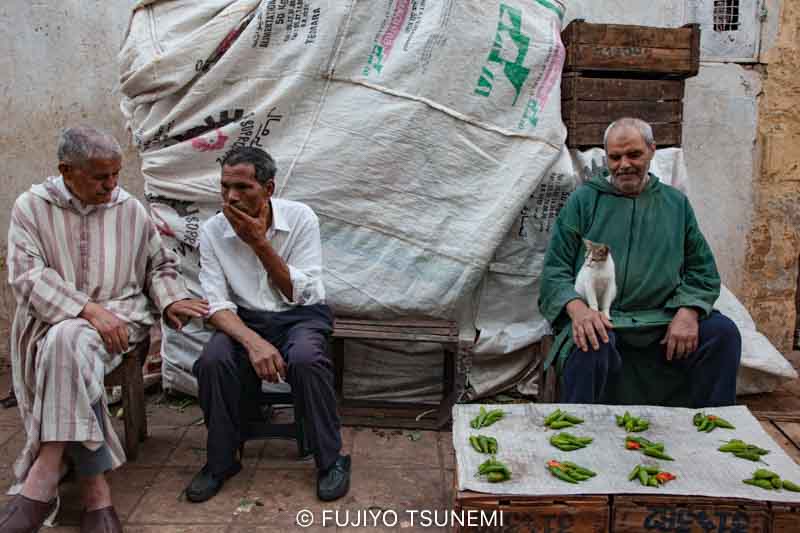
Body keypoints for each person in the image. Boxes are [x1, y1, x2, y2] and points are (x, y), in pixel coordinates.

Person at [0, 126, 208, 533]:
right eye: (100, 177)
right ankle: (96, 489)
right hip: (49, 322)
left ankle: (42, 475)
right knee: (67, 338)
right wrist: (85, 309)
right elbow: (25, 275)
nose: (112, 185)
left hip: (120, 320)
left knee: (69, 342)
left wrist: (170, 299)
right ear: (66, 170)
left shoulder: (128, 208)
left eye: (116, 174)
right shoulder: (31, 208)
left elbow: (159, 265)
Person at [539, 117, 741, 407]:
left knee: (722, 335)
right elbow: (554, 273)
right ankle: (583, 437)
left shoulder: (675, 205)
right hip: (605, 321)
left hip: (662, 320)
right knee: (591, 343)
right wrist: (579, 310)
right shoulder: (583, 201)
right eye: (615, 157)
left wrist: (688, 312)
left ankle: (710, 433)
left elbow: (702, 272)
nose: (624, 164)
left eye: (634, 154)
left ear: (652, 151)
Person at [186, 146, 350, 503]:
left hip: (299, 315)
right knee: (213, 361)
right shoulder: (213, 230)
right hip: (242, 319)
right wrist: (253, 342)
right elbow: (215, 304)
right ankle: (222, 461)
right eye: (225, 186)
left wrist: (259, 243)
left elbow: (301, 293)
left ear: (269, 188)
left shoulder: (300, 218)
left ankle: (331, 460)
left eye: (243, 188)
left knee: (307, 359)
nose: (232, 196)